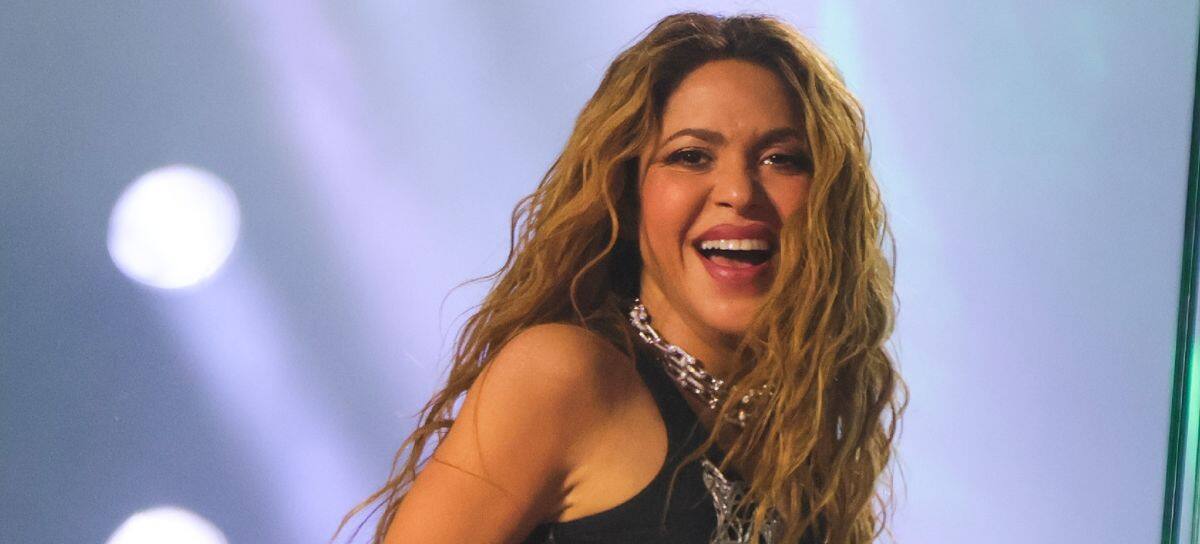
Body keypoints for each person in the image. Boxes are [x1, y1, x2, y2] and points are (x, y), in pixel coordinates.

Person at [335, 11, 905, 544]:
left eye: (782, 159)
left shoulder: (804, 441)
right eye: (691, 156)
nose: (738, 192)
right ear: (626, 197)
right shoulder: (565, 377)